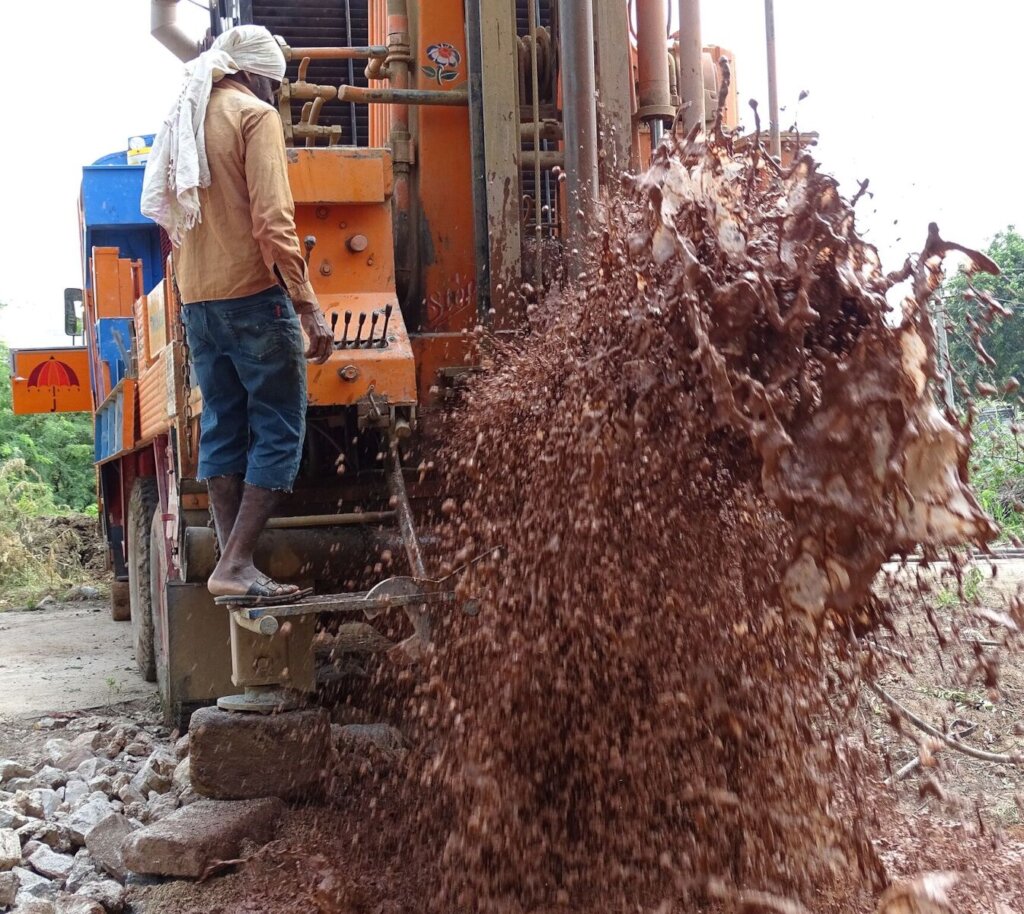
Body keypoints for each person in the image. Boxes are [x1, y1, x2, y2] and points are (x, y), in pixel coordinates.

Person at [141, 25, 334, 607]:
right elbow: (274, 222)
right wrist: (309, 307)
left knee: (224, 428)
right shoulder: (254, 117)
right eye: (273, 83)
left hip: (198, 302)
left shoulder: (189, 114)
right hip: (254, 296)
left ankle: (232, 566)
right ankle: (237, 563)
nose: (275, 95)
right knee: (280, 427)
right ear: (253, 74)